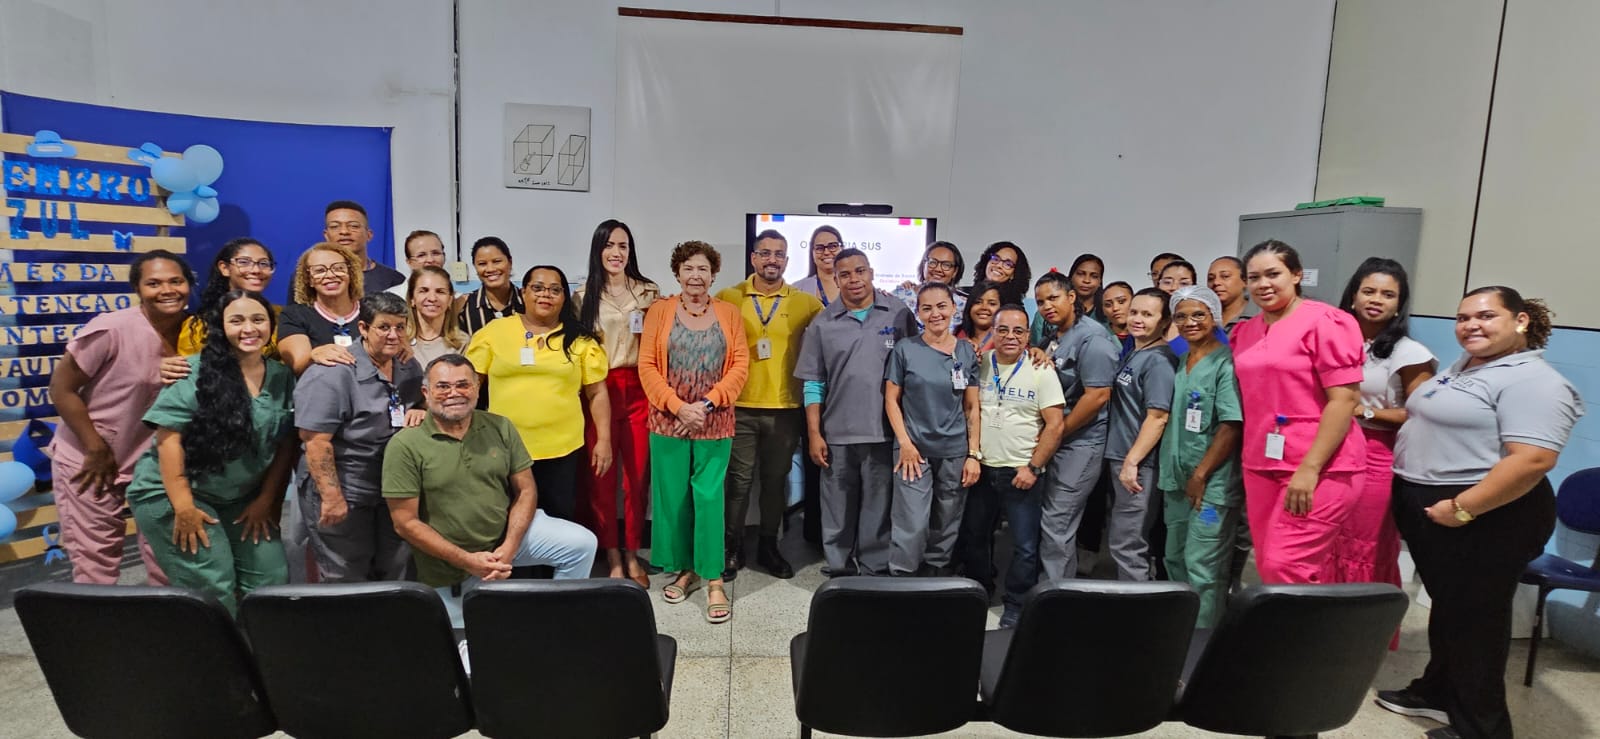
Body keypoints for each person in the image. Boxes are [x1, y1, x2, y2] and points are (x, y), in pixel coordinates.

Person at [1376, 287, 1582, 739]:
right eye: (1463, 317)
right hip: (1437, 505)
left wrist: (1463, 509)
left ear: (1521, 321)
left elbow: (1533, 460)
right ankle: (1438, 692)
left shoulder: (1534, 381)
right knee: (1452, 609)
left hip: (1487, 513)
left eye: (1486, 316)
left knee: (1477, 623)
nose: (1471, 325)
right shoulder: (1468, 366)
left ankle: (1481, 729)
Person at [383, 354, 599, 633]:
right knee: (467, 649)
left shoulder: (500, 426)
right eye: (443, 386)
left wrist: (508, 549)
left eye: (463, 385)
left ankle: (557, 625)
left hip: (505, 540)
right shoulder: (405, 445)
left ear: (476, 388)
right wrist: (469, 561)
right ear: (426, 392)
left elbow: (526, 489)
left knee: (581, 544)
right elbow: (405, 523)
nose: (454, 393)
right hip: (451, 564)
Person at [125, 290, 298, 615]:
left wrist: (267, 499)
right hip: (176, 494)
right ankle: (216, 648)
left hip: (240, 497)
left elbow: (285, 442)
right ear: (220, 326)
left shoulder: (281, 377)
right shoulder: (192, 372)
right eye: (237, 320)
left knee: (271, 579)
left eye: (258, 319)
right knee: (213, 585)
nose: (249, 328)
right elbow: (169, 441)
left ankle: (259, 646)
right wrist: (183, 507)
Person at [49, 251, 193, 585]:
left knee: (168, 555)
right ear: (137, 289)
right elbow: (61, 389)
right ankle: (97, 621)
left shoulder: (197, 331)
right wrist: (95, 447)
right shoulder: (111, 329)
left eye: (176, 281)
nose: (167, 290)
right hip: (91, 458)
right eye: (154, 283)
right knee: (96, 561)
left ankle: (170, 617)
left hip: (153, 461)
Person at [1231, 240, 1366, 584]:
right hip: (1261, 463)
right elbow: (1198, 351)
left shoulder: (1325, 322)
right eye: (1254, 277)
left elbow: (1344, 400)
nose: (1263, 284)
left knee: (1285, 566)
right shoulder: (1245, 332)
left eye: (1273, 274)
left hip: (1321, 466)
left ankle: (1297, 624)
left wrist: (1310, 468)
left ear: (1296, 275)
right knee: (1269, 565)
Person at [639, 241, 748, 622]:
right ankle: (686, 569)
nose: (696, 276)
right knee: (674, 499)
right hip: (667, 421)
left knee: (709, 499)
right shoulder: (660, 311)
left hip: (714, 421)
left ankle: (713, 576)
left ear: (713, 275)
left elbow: (740, 365)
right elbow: (647, 365)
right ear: (677, 273)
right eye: (688, 269)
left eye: (703, 269)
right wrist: (678, 407)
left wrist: (706, 404)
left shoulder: (729, 313)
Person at [795, 248, 920, 576]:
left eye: (860, 271)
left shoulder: (898, 313)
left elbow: (915, 367)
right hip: (838, 432)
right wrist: (814, 433)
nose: (854, 279)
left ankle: (874, 568)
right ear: (836, 279)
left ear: (872, 272)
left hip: (884, 431)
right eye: (845, 274)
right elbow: (813, 383)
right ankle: (838, 567)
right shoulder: (822, 323)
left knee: (878, 506)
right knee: (837, 506)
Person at [464, 264, 611, 522]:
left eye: (555, 290)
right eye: (538, 288)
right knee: (505, 520)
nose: (546, 295)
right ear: (523, 292)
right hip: (504, 447)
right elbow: (471, 385)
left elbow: (597, 393)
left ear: (564, 297)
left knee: (558, 521)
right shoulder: (494, 333)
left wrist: (604, 439)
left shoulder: (580, 340)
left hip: (561, 448)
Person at [294, 293, 424, 582]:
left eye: (400, 327)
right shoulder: (333, 373)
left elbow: (419, 406)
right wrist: (331, 498)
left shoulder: (407, 366)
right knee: (346, 576)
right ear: (363, 328)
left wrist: (423, 411)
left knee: (396, 571)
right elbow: (316, 442)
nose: (394, 335)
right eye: (384, 327)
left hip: (391, 486)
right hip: (345, 485)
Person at [718, 230, 823, 580]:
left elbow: (835, 325)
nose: (772, 260)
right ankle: (732, 547)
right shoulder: (729, 297)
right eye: (765, 253)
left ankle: (768, 545)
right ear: (753, 258)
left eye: (779, 254)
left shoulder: (805, 302)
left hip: (785, 408)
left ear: (787, 261)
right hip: (739, 406)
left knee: (776, 482)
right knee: (738, 482)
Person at [957, 305, 1065, 626]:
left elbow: (1055, 425)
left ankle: (1016, 604)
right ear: (993, 331)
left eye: (1018, 331)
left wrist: (1034, 467)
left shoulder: (1041, 369)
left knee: (1025, 545)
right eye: (1003, 329)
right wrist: (972, 455)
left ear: (1028, 335)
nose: (1010, 336)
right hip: (982, 467)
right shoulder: (980, 364)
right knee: (975, 536)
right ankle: (979, 592)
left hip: (1021, 471)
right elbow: (969, 410)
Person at [572, 219, 660, 584]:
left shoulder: (648, 292)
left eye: (622, 246)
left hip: (639, 388)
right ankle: (611, 554)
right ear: (598, 250)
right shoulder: (582, 296)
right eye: (609, 245)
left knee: (636, 478)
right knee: (601, 477)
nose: (616, 252)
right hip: (599, 390)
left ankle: (632, 553)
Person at [1340, 258, 1435, 589]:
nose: (1376, 300)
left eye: (1388, 294)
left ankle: (1360, 617)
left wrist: (1363, 412)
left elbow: (1421, 413)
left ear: (1399, 304)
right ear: (1353, 297)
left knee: (1363, 541)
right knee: (1329, 536)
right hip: (1331, 448)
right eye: (1368, 291)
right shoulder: (1336, 341)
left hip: (1377, 455)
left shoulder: (1410, 353)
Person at [1159, 286, 1243, 628]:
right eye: (1181, 316)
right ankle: (1181, 631)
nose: (1189, 322)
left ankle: (1203, 639)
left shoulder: (1225, 362)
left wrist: (1201, 475)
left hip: (1211, 487)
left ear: (1214, 317)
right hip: (1178, 479)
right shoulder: (1183, 361)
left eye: (1198, 314)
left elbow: (1231, 424)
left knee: (1203, 566)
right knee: (1174, 557)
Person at [885, 282, 980, 576]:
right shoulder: (905, 349)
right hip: (914, 450)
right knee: (911, 522)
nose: (935, 313)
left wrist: (973, 454)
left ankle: (935, 575)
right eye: (927, 308)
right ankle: (902, 578)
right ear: (918, 313)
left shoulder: (966, 351)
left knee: (947, 519)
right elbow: (891, 400)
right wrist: (905, 443)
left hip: (954, 451)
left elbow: (972, 407)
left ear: (953, 308)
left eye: (941, 306)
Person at [1032, 272, 1120, 581]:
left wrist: (1057, 433)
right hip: (1058, 440)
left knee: (1058, 522)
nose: (1046, 306)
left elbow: (1097, 396)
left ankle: (1056, 594)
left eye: (1053, 298)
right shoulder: (1054, 336)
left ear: (1071, 297)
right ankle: (1050, 587)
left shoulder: (1093, 339)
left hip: (1080, 443)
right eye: (1040, 302)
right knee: (1051, 520)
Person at [1105, 288, 1178, 581]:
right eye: (1134, 312)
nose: (1137, 319)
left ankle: (1136, 605)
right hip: (1121, 455)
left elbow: (1158, 417)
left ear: (1165, 321)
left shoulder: (1159, 361)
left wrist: (1132, 461)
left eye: (1148, 314)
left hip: (1139, 464)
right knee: (1123, 538)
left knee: (1129, 543)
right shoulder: (1137, 351)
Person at [177, 238, 278, 358]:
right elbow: (190, 366)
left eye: (264, 264)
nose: (256, 270)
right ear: (224, 268)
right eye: (244, 262)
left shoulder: (280, 317)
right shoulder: (198, 326)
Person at [277, 242, 365, 375]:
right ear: (309, 280)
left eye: (338, 268)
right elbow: (298, 364)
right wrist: (313, 355)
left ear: (351, 274)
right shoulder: (293, 315)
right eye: (320, 270)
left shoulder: (372, 310)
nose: (330, 275)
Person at [324, 200, 405, 295]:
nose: (344, 231)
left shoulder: (393, 280)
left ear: (369, 235)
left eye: (353, 226)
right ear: (326, 235)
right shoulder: (317, 278)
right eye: (335, 226)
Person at [455, 236, 524, 336]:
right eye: (482, 264)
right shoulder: (463, 306)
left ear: (510, 262)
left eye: (497, 261)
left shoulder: (527, 302)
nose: (490, 269)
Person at [405, 265, 469, 367]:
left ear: (450, 300)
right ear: (412, 298)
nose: (432, 298)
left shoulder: (462, 343)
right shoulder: (399, 340)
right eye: (424, 291)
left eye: (440, 292)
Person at [894, 241, 967, 314]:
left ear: (955, 271)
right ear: (924, 264)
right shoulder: (900, 296)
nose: (938, 269)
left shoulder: (962, 307)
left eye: (946, 265)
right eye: (932, 262)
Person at [386, 229, 448, 297]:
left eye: (436, 253)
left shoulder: (456, 297)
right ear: (409, 262)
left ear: (444, 256)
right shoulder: (389, 298)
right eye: (421, 255)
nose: (430, 260)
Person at [796, 225, 844, 307]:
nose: (826, 252)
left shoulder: (856, 285)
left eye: (832, 246)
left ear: (842, 248)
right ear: (812, 252)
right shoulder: (798, 289)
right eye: (819, 248)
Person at [973, 241, 1032, 306]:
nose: (999, 265)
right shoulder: (966, 295)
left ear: (1014, 274)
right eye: (996, 259)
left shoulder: (1013, 308)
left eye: (1008, 264)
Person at [957, 281, 1004, 355]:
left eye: (992, 304)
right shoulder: (956, 334)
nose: (984, 307)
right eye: (978, 302)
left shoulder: (1005, 339)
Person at [1207, 256, 1249, 331]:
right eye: (1211, 278)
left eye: (1225, 276)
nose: (1216, 282)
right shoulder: (1203, 317)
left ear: (1245, 281)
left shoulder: (1262, 315)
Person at [1100, 281, 1135, 355]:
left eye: (1121, 302)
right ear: (1103, 310)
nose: (1115, 308)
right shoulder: (1098, 336)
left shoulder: (1147, 335)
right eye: (1108, 305)